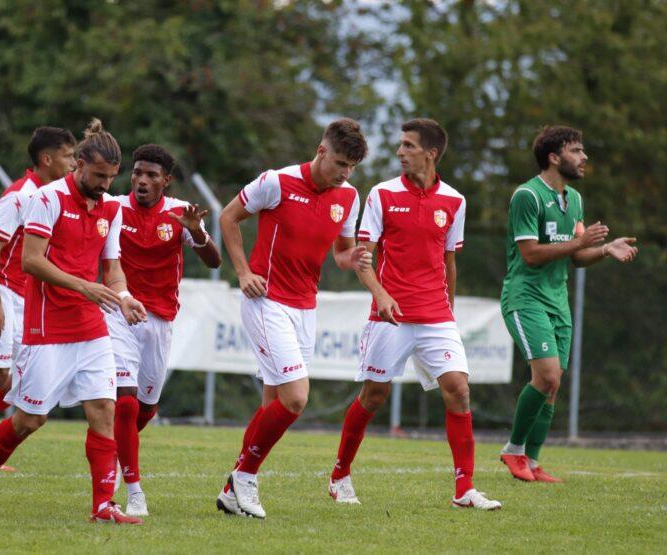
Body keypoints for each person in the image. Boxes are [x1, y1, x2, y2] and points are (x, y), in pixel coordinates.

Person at [0, 119, 148, 525]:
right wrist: (86, 287)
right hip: (46, 328)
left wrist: (123, 296)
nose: (104, 184)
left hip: (91, 326)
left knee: (103, 407)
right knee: (30, 420)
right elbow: (32, 260)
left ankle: (103, 505)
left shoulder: (112, 208)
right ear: (79, 164)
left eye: (110, 178)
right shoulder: (47, 198)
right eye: (98, 175)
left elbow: (112, 268)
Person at [328, 118, 502, 510]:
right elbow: (363, 259)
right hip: (390, 316)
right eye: (400, 144)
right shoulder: (382, 194)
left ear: (431, 153)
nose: (399, 152)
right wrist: (382, 296)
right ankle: (340, 475)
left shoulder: (455, 200)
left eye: (408, 145)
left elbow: (449, 262)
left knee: (458, 390)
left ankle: (464, 490)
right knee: (374, 396)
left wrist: (449, 313)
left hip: (436, 316)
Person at [214, 118, 372, 519]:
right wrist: (243, 272)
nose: (344, 173)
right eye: (339, 163)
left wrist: (350, 259)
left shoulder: (349, 196)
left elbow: (340, 252)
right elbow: (228, 217)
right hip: (266, 301)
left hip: (306, 307)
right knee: (297, 397)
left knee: (275, 403)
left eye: (351, 167)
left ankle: (236, 483)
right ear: (321, 151)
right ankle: (244, 478)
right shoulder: (276, 182)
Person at [499, 126, 637, 482]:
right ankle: (512, 450)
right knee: (544, 376)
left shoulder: (573, 199)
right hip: (525, 297)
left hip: (557, 301)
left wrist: (604, 249)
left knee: (553, 383)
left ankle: (531, 460)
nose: (584, 157)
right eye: (576, 150)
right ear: (554, 157)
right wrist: (580, 243)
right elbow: (530, 255)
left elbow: (576, 257)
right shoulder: (527, 196)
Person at [0, 127, 77, 471]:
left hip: (23, 295)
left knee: (24, 376)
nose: (73, 163)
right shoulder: (19, 196)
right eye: (68, 156)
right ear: (47, 159)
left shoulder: (53, 195)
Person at [107, 144, 221, 516]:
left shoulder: (179, 213)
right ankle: (134, 490)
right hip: (119, 313)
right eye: (137, 172)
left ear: (165, 181)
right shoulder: (114, 208)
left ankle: (112, 452)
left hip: (159, 320)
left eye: (151, 175)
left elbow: (214, 260)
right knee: (124, 402)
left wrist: (197, 233)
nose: (142, 180)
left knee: (145, 409)